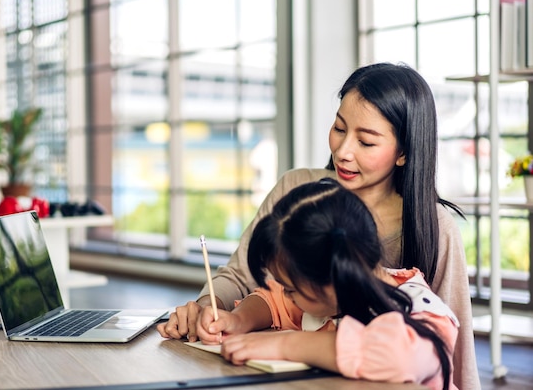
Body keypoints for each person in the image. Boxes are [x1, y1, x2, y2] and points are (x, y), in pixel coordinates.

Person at [157, 62, 480, 389]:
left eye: (366, 142)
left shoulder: (428, 247)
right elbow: (267, 293)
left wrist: (284, 344)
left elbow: (453, 352)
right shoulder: (299, 192)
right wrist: (213, 312)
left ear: (404, 152)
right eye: (339, 128)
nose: (343, 151)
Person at [198, 178, 458, 390]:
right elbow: (273, 299)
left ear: (331, 280)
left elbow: (397, 357)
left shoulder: (425, 313)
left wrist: (285, 344)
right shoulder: (326, 297)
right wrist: (239, 320)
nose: (287, 295)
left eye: (291, 289)